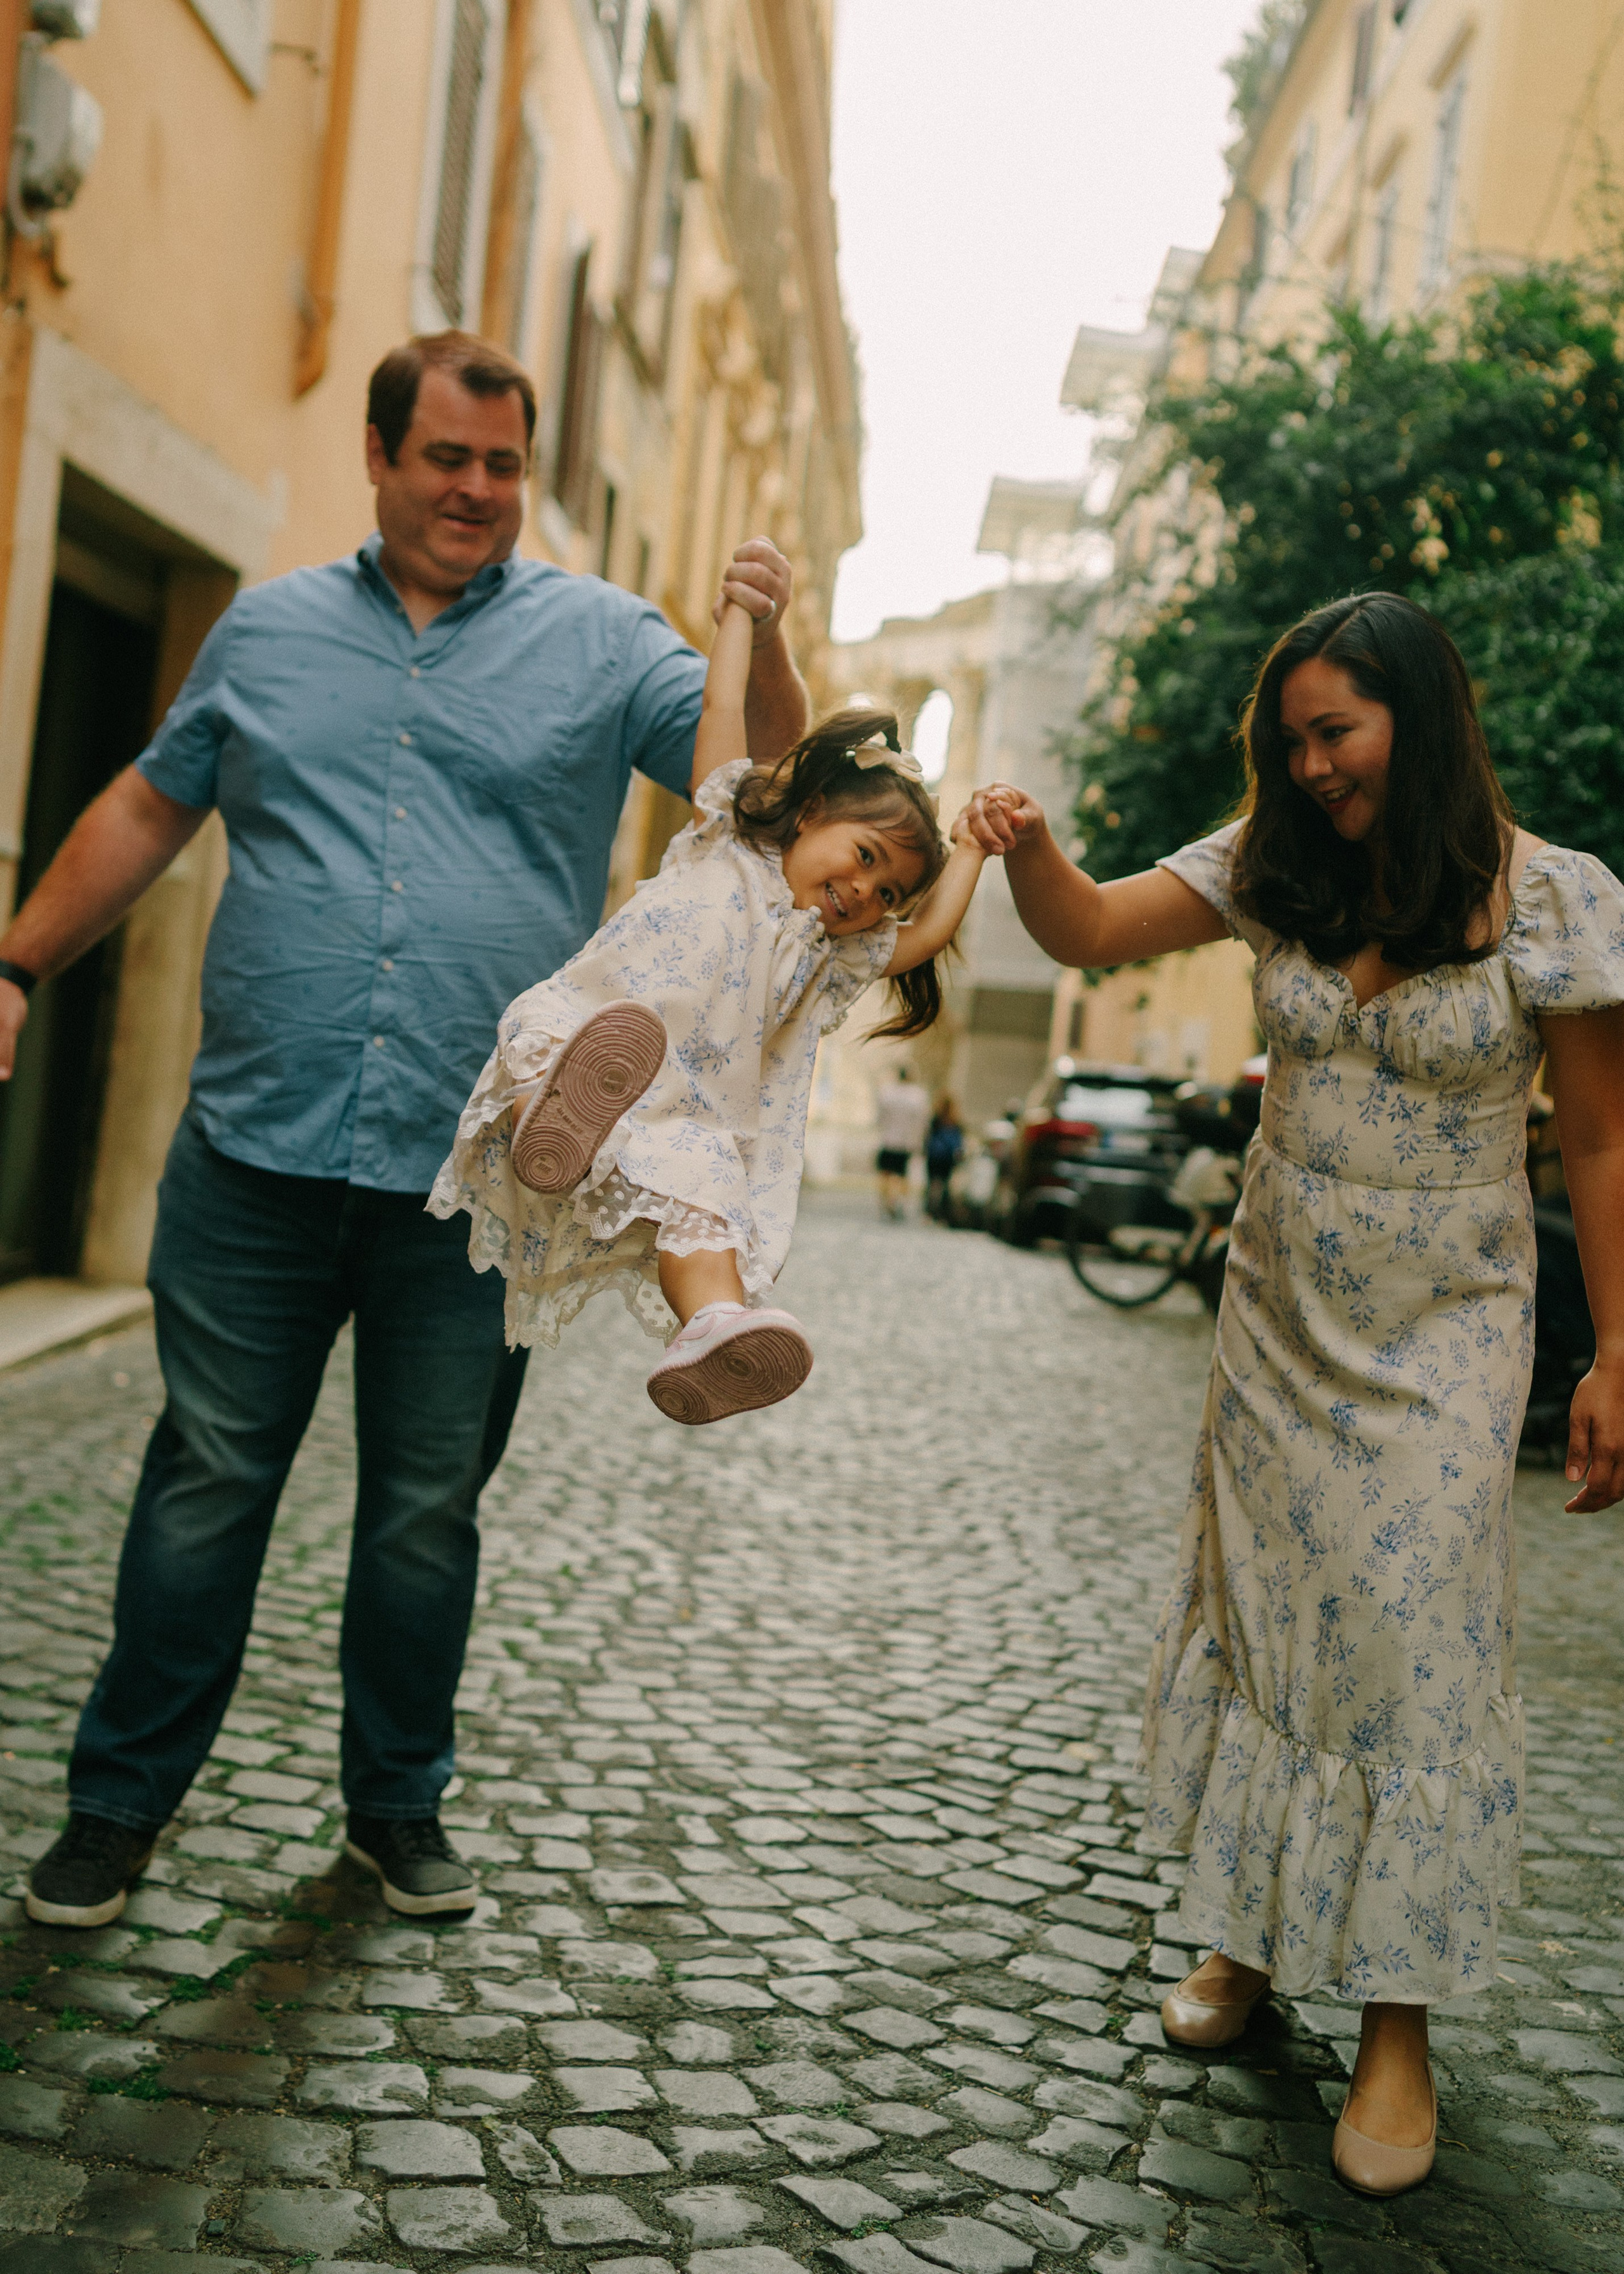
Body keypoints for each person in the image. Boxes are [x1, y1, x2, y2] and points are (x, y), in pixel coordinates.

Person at [0, 330, 812, 1929]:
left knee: (426, 1514)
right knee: (204, 1483)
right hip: (253, 1151)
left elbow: (758, 781)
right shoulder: (266, 629)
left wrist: (760, 635)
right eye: (446, 458)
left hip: (481, 1180)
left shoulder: (603, 638)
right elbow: (153, 802)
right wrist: (18, 963)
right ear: (379, 457)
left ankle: (394, 1807)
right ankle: (116, 1809)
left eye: (503, 464)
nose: (476, 490)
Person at [966, 592, 1624, 2199]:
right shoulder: (1267, 861)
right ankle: (1246, 1941)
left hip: (1449, 1329)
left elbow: (1603, 1137)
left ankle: (1395, 2025)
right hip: (1276, 1317)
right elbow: (1086, 930)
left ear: (1420, 717)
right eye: (1290, 740)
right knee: (1266, 1629)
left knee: (1412, 1657)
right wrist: (1028, 845)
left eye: (1335, 732)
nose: (1311, 765)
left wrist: (1617, 1353)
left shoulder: (1553, 898)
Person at [431, 608, 996, 1424]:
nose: (864, 892)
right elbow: (719, 706)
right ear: (811, 812)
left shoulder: (827, 955)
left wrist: (974, 847)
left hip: (686, 1117)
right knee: (544, 1038)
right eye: (865, 856)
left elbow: (927, 936)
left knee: (709, 1202)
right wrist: (739, 614)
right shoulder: (725, 836)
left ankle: (712, 1328)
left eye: (888, 893)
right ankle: (551, 1131)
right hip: (601, 1031)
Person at [874, 1063, 930, 1218]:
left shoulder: (887, 1092)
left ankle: (886, 1200)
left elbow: (880, 1117)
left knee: (886, 1173)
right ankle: (899, 1200)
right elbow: (922, 1121)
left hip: (888, 1140)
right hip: (906, 1143)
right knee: (903, 1175)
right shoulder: (918, 1096)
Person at [924, 1094, 964, 1219]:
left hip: (935, 1156)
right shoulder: (955, 1121)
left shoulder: (936, 1119)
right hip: (948, 1157)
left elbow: (929, 1137)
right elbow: (959, 1140)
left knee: (932, 1184)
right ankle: (942, 1213)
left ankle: (930, 1212)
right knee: (945, 1185)